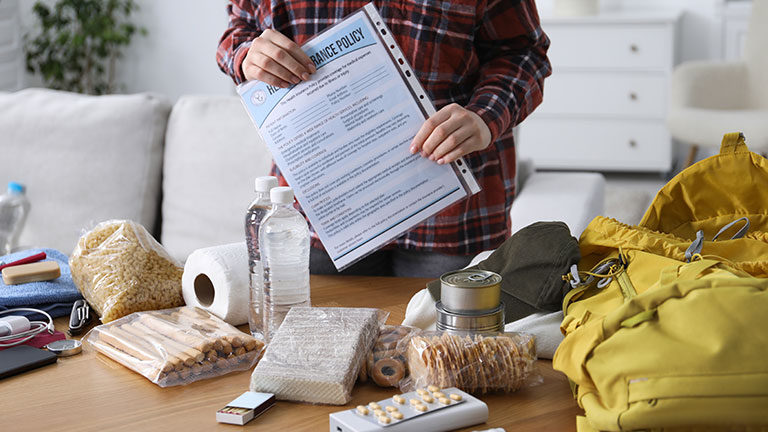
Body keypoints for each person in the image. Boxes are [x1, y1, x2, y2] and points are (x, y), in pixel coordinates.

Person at [217, 0, 551, 278]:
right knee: (313, 351)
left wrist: (485, 116)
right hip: (319, 216)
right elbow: (238, 31)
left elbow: (524, 53)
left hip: (454, 217)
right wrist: (246, 55)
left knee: (453, 354)